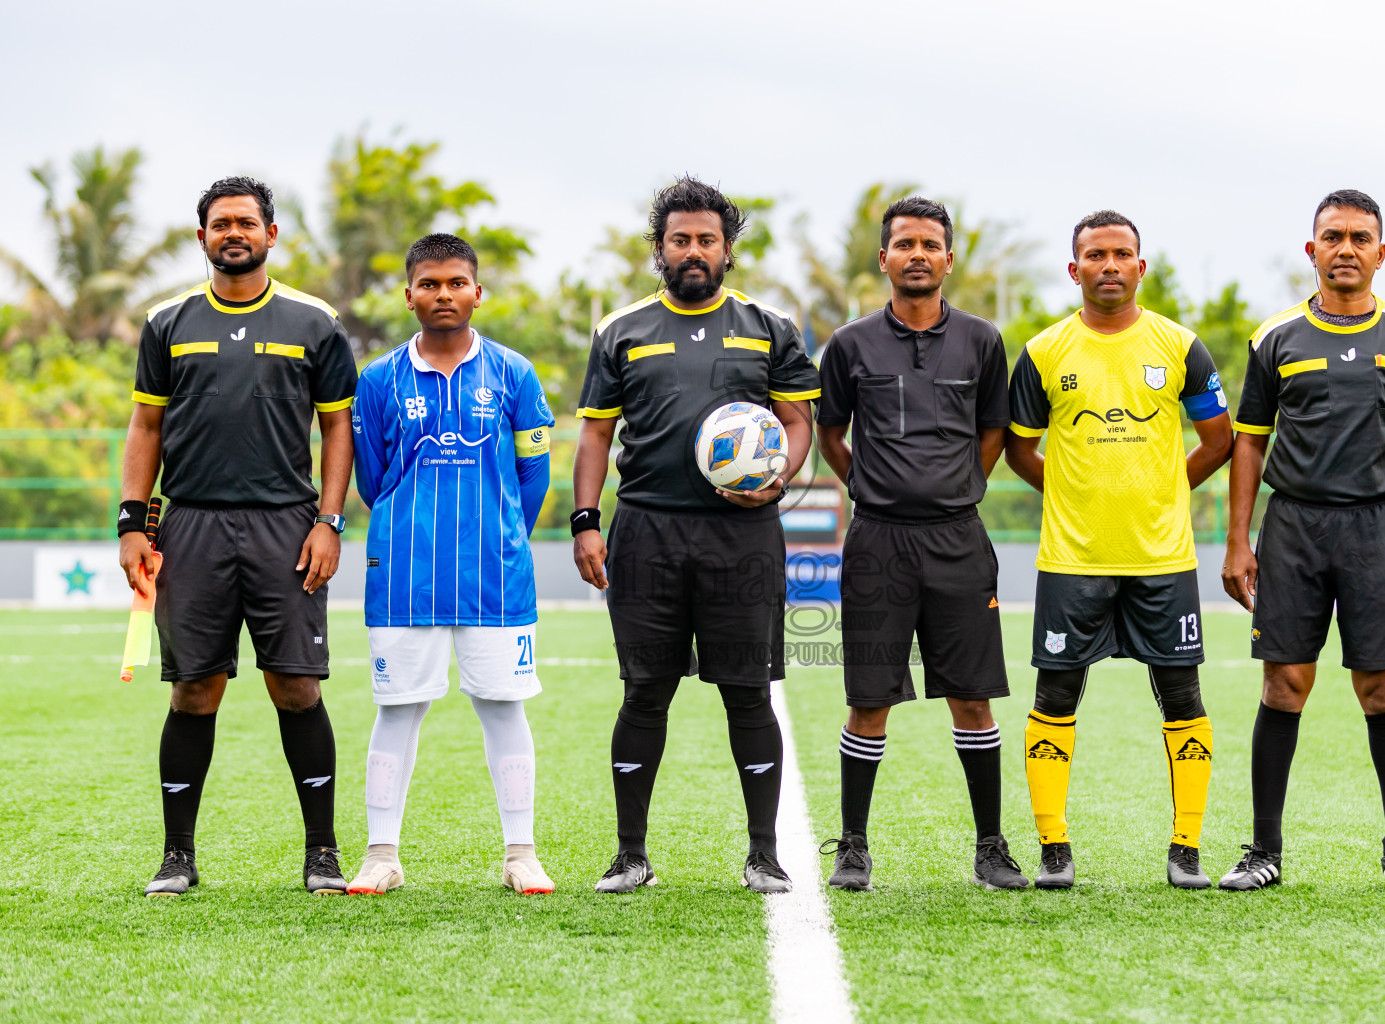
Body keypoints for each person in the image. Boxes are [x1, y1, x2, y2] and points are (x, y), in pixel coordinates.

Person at [572, 177, 820, 894]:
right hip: (646, 532)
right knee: (644, 692)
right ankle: (630, 855)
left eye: (706, 239)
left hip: (741, 537)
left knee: (748, 693)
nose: (693, 250)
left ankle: (764, 854)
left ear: (728, 249)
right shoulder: (621, 331)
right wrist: (587, 522)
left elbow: (797, 422)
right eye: (679, 239)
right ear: (659, 249)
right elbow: (595, 436)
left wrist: (778, 479)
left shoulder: (770, 328)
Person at [119, 176, 358, 896]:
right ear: (202, 238)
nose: (233, 233)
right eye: (220, 223)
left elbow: (337, 426)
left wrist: (329, 518)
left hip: (285, 525)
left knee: (295, 687)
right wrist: (134, 521)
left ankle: (322, 854)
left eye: (246, 222)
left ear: (271, 234)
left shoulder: (314, 322)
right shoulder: (168, 322)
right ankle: (177, 857)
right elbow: (146, 426)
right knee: (194, 690)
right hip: (188, 522)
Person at [1219, 189, 1385, 894]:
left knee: (1381, 688)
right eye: (1333, 236)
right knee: (1284, 684)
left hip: (1381, 529)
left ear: (1381, 253)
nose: (1345, 248)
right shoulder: (1277, 338)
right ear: (1311, 250)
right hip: (1293, 527)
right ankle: (1264, 850)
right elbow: (1249, 446)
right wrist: (1238, 539)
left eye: (1359, 237)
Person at [1004, 210, 1233, 890]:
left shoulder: (1180, 345)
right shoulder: (1045, 352)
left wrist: (1166, 491)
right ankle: (1053, 848)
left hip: (1162, 559)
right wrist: (1069, 493)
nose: (1109, 265)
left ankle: (1186, 848)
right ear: (1074, 270)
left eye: (1121, 254)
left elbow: (1219, 440)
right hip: (1073, 560)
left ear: (1141, 266)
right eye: (1095, 256)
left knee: (1184, 696)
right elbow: (1018, 448)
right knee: (1056, 693)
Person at [814, 196, 1026, 892]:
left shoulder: (982, 341)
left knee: (972, 698)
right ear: (884, 258)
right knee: (869, 699)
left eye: (930, 245)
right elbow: (832, 434)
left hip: (958, 540)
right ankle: (852, 847)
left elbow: (994, 430)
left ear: (948, 258)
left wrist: (959, 483)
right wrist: (873, 487)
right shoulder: (849, 345)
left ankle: (990, 848)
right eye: (904, 244)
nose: (917, 255)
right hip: (877, 541)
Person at [346, 234, 556, 896]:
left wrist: (497, 533)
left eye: (456, 283)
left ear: (477, 293)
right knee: (398, 709)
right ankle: (382, 854)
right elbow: (373, 480)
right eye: (430, 284)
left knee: (503, 707)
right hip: (404, 575)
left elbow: (534, 475)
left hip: (495, 576)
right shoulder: (379, 380)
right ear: (408, 295)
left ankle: (520, 853)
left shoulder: (515, 375)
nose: (444, 294)